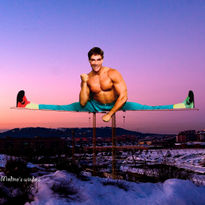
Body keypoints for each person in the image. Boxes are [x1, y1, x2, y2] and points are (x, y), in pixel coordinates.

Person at [17, 47, 195, 122]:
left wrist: (110, 114)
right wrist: (83, 85)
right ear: (88, 60)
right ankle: (26, 103)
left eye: (98, 59)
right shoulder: (87, 76)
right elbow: (83, 102)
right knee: (62, 106)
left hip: (116, 104)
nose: (95, 63)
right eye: (92, 60)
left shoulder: (113, 73)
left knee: (149, 106)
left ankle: (185, 103)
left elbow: (124, 96)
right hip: (94, 104)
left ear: (102, 59)